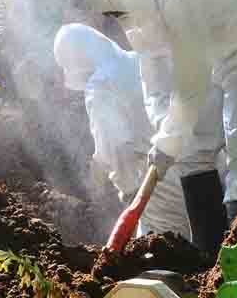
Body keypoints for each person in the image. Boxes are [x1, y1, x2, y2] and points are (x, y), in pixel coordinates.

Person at [81, 0, 237, 251]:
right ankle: (211, 253)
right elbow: (154, 83)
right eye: (111, 14)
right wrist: (162, 135)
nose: (117, 19)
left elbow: (190, 86)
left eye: (116, 11)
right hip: (216, 57)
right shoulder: (137, 13)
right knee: (191, 150)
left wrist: (168, 140)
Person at [53, 24, 195, 239]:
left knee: (162, 257)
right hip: (195, 168)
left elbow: (116, 147)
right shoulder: (138, 60)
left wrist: (128, 189)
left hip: (157, 185)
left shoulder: (100, 85)